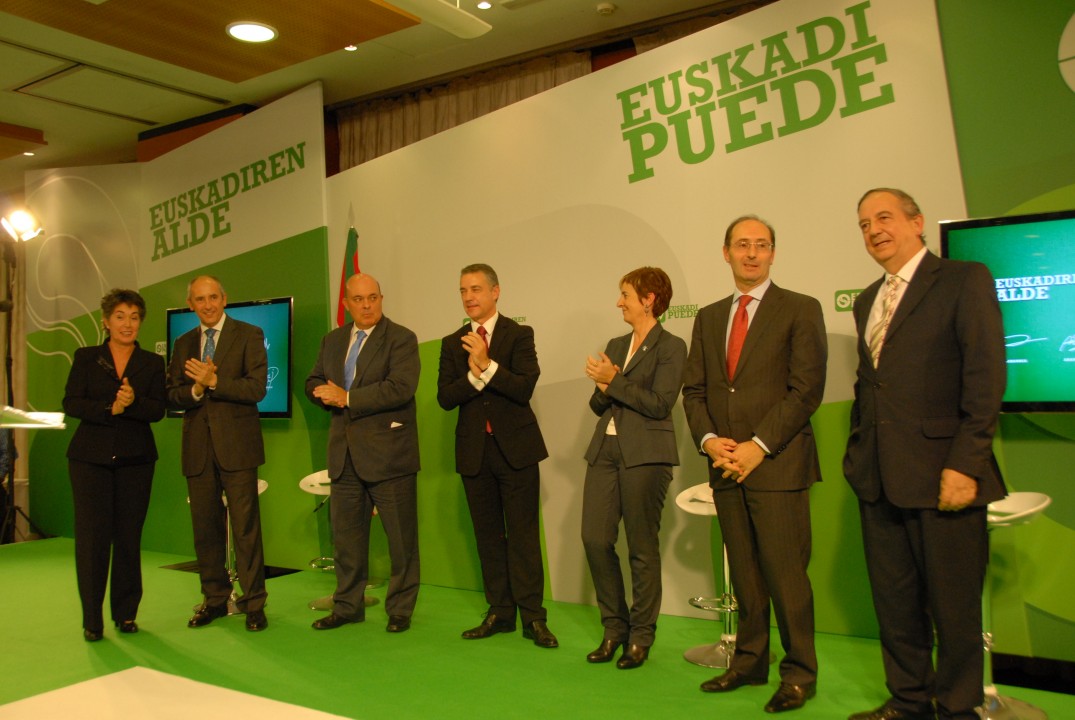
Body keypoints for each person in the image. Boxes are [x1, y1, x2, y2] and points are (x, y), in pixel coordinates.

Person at [844, 188, 1006, 720]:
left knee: (954, 608)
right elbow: (872, 385)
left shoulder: (963, 279)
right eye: (864, 224)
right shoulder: (867, 300)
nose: (874, 230)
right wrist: (858, 453)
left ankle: (957, 708)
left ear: (917, 223)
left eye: (884, 217)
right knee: (895, 604)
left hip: (945, 477)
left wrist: (966, 464)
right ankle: (909, 700)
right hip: (879, 478)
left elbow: (985, 378)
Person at [682, 215, 827, 713]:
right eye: (742, 245)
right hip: (724, 466)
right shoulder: (708, 317)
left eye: (761, 245)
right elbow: (695, 390)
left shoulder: (800, 309)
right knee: (744, 574)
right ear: (726, 253)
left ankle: (799, 674)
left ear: (772, 254)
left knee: (787, 578)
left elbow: (806, 390)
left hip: (777, 465)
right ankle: (748, 662)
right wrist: (709, 442)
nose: (751, 253)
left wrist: (758, 445)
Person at [437, 263, 558, 648]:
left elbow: (523, 387)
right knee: (488, 537)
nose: (468, 297)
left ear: (495, 291)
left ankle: (533, 617)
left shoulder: (519, 334)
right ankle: (500, 612)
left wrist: (487, 365)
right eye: (463, 290)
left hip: (516, 451)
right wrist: (474, 376)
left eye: (475, 289)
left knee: (523, 537)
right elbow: (445, 397)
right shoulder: (452, 342)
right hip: (475, 453)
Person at [581, 267, 686, 670]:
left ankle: (641, 637)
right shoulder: (616, 343)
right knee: (594, 539)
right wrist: (603, 385)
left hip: (646, 455)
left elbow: (660, 404)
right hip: (604, 451)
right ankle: (614, 629)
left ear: (649, 299)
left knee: (641, 548)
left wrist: (615, 381)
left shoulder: (671, 346)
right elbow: (599, 404)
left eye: (625, 294)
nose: (619, 302)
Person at [306, 273, 421, 633]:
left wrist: (347, 398)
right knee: (346, 541)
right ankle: (347, 607)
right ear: (346, 304)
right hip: (344, 456)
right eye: (359, 299)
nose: (367, 305)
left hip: (390, 455)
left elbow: (400, 388)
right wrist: (322, 393)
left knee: (401, 541)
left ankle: (400, 610)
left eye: (373, 297)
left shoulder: (401, 338)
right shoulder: (332, 340)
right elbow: (313, 380)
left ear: (381, 298)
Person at [167, 275, 269, 632]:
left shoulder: (249, 334)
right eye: (200, 299)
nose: (207, 305)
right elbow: (171, 395)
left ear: (224, 299)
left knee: (246, 529)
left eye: (213, 297)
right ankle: (214, 600)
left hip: (238, 448)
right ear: (191, 304)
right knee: (205, 529)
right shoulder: (183, 343)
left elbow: (256, 388)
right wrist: (195, 390)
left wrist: (214, 382)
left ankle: (253, 603)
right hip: (198, 450)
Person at [63, 289, 166, 641]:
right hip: (89, 461)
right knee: (91, 541)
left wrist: (133, 403)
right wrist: (110, 409)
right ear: (106, 321)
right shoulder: (86, 357)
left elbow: (158, 410)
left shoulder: (152, 363)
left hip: (136, 461)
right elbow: (71, 403)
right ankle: (92, 620)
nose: (127, 324)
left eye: (134, 317)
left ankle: (126, 614)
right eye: (120, 316)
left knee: (128, 539)